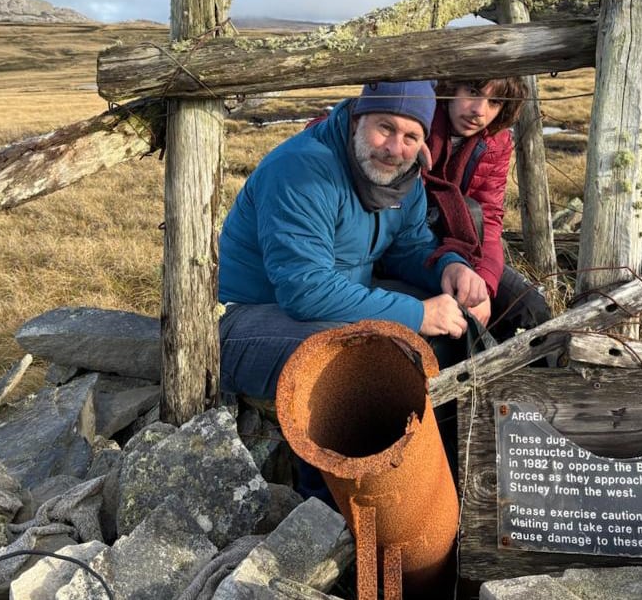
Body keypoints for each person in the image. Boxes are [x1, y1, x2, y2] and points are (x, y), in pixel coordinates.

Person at [217, 79, 491, 404]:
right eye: (385, 128)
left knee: (457, 327)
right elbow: (306, 290)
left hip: (333, 305)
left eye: (410, 137)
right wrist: (418, 314)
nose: (394, 148)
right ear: (359, 119)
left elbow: (410, 247)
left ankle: (464, 446)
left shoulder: (403, 176)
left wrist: (448, 268)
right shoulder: (301, 171)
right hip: (242, 317)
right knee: (366, 365)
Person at [423, 78, 551, 339]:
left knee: (530, 309)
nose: (479, 111)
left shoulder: (497, 141)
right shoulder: (418, 121)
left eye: (494, 102)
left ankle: (519, 379)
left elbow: (489, 215)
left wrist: (484, 280)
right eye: (472, 92)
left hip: (462, 245)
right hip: (411, 246)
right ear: (451, 88)